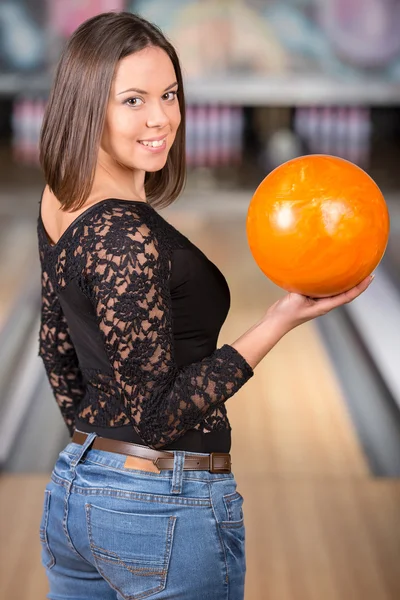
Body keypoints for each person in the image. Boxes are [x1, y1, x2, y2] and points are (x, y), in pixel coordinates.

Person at [37, 11, 373, 600]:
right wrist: (278, 321)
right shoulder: (124, 235)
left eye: (169, 94)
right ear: (88, 105)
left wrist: (102, 461)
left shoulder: (61, 199)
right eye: (134, 100)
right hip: (163, 507)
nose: (162, 117)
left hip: (77, 498)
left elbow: (54, 348)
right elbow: (158, 419)